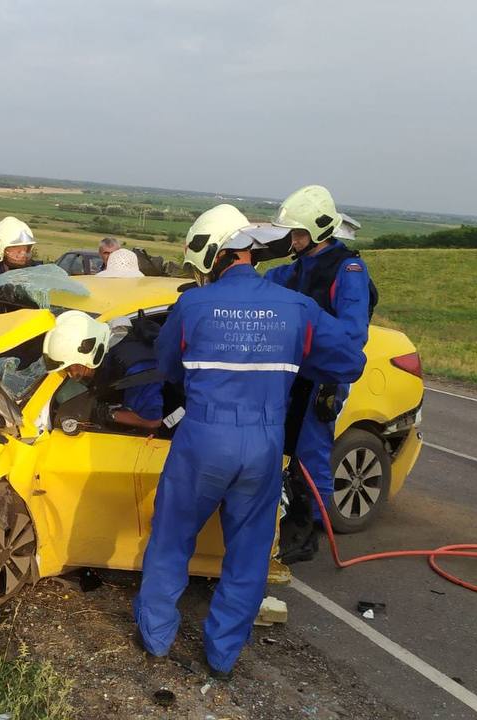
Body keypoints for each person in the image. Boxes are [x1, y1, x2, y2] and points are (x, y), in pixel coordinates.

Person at [133, 204, 366, 680]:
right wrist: (298, 366)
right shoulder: (296, 307)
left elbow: (169, 366)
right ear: (247, 252)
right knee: (249, 552)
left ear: (214, 255)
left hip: (202, 436)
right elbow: (348, 362)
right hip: (263, 442)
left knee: (172, 539)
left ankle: (157, 638)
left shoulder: (192, 306)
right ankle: (222, 655)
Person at [262, 185, 376, 562]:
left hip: (324, 376)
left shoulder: (349, 270)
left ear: (319, 230)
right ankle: (278, 520)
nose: (292, 241)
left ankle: (305, 530)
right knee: (281, 446)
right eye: (291, 234)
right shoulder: (298, 268)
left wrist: (313, 344)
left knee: (311, 451)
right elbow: (263, 285)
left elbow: (351, 334)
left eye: (297, 234)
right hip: (294, 373)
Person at [43, 310, 164, 432]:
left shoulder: (138, 370)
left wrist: (105, 413)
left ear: (87, 355)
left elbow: (152, 421)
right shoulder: (98, 340)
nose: (71, 374)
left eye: (71, 368)